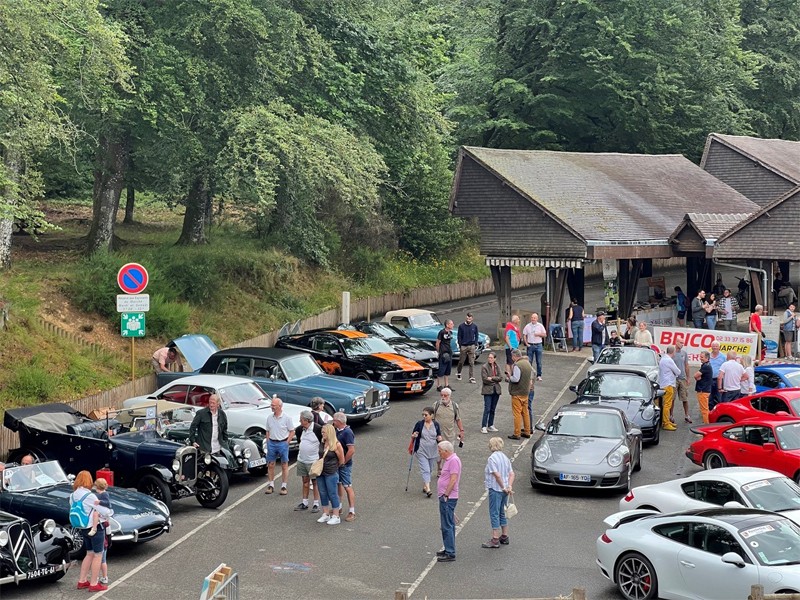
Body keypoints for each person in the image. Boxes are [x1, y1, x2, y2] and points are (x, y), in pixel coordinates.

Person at [74, 471, 113, 592]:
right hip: (96, 528)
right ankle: (94, 583)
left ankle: (82, 580)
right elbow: (106, 511)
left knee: (89, 553)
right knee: (97, 555)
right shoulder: (90, 495)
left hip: (83, 527)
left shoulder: (73, 495)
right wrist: (110, 512)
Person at [482, 437, 514, 549]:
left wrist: (502, 487)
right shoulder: (505, 458)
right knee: (502, 512)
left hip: (496, 489)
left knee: (494, 512)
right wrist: (509, 486)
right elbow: (511, 474)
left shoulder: (492, 459)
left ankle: (495, 538)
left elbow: (497, 475)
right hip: (505, 490)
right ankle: (504, 535)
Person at [436, 441, 462, 562]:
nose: (439, 453)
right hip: (445, 497)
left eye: (440, 451)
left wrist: (446, 494)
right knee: (446, 524)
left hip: (448, 497)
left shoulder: (453, 461)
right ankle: (447, 548)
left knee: (447, 525)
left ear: (446, 451)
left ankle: (450, 552)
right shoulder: (449, 460)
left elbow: (453, 479)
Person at [315, 424, 345, 525]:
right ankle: (325, 513)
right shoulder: (322, 442)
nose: (322, 434)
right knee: (322, 492)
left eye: (324, 432)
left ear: (329, 433)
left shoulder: (337, 444)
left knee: (332, 493)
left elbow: (342, 460)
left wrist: (334, 467)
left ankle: (336, 515)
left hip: (331, 472)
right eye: (322, 432)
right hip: (320, 472)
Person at [264, 396, 295, 496]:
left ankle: (284, 486)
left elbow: (292, 431)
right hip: (272, 443)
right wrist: (268, 441)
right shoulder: (269, 417)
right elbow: (267, 430)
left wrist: (287, 442)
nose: (271, 407)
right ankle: (271, 485)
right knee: (271, 464)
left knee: (284, 465)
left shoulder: (287, 418)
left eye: (273, 405)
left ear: (280, 406)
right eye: (271, 405)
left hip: (282, 442)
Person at [293, 411, 323, 513]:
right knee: (305, 481)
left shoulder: (318, 429)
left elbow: (323, 442)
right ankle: (304, 503)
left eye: (301, 419)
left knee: (315, 482)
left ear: (307, 420)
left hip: (313, 461)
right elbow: (299, 441)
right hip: (301, 460)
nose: (299, 421)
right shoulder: (299, 429)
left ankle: (316, 504)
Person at [411, 407, 442, 497]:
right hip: (421, 450)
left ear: (432, 415)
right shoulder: (420, 424)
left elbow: (438, 434)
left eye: (426, 415)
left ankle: (425, 485)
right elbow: (413, 434)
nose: (424, 416)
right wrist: (414, 435)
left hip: (432, 450)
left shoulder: (436, 425)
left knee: (430, 469)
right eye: (423, 415)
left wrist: (439, 438)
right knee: (426, 469)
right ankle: (428, 489)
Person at [332, 412, 356, 522]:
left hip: (344, 465)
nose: (333, 422)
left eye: (334, 420)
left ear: (339, 421)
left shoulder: (348, 432)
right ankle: (339, 507)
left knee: (347, 486)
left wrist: (343, 462)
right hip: (336, 464)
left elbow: (351, 450)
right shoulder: (336, 430)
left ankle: (352, 511)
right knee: (338, 485)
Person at [507, 349, 532, 440]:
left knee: (517, 414)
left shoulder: (518, 365)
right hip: (525, 392)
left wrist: (509, 376)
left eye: (512, 356)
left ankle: (517, 433)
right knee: (525, 413)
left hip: (517, 393)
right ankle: (527, 431)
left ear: (514, 356)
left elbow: (516, 379)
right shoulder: (527, 363)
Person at [93, 478, 112, 585]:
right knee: (101, 561)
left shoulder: (104, 495)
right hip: (104, 539)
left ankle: (104, 577)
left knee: (102, 560)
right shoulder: (98, 494)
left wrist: (99, 502)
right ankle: (102, 576)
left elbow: (107, 503)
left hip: (103, 542)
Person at [658, 345, 680, 432]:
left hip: (664, 383)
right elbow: (677, 371)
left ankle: (666, 421)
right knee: (667, 405)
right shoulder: (669, 360)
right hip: (668, 384)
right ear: (673, 352)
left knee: (666, 404)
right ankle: (666, 423)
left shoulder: (663, 359)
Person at [480, 352, 502, 434]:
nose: (490, 359)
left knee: (493, 409)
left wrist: (491, 378)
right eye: (489, 357)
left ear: (495, 359)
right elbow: (485, 379)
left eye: (491, 358)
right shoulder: (484, 367)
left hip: (496, 390)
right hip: (488, 390)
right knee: (487, 408)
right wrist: (495, 380)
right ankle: (483, 426)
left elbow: (500, 377)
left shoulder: (497, 366)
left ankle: (490, 424)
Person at [522, 313, 546, 381]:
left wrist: (538, 334)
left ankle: (539, 375)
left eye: (534, 318)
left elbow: (545, 334)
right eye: (532, 317)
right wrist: (526, 343)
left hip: (538, 345)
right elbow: (524, 334)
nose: (533, 319)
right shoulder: (528, 326)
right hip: (530, 344)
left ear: (537, 319)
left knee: (539, 361)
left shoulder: (540, 326)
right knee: (529, 361)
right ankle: (529, 375)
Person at [456, 313, 479, 383]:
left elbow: (476, 335)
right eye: (468, 317)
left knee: (471, 362)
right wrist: (460, 345)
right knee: (461, 361)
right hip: (463, 345)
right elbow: (459, 336)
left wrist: (475, 343)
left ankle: (471, 377)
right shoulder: (461, 326)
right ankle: (459, 372)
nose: (469, 319)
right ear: (466, 318)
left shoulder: (474, 326)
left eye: (470, 317)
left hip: (471, 346)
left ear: (472, 318)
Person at [673, 339, 692, 424]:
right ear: (676, 342)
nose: (682, 344)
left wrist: (688, 377)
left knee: (685, 398)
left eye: (683, 343)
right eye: (681, 342)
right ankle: (671, 416)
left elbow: (686, 365)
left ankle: (687, 415)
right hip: (673, 379)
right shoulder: (671, 352)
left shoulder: (684, 353)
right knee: (672, 399)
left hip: (682, 378)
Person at [694, 350, 713, 423]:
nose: (700, 358)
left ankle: (706, 427)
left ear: (707, 358)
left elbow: (695, 375)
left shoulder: (706, 366)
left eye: (702, 357)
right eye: (700, 357)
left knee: (704, 410)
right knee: (705, 409)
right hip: (705, 390)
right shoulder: (707, 365)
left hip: (703, 390)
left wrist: (697, 378)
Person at [436, 319, 455, 391]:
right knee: (441, 369)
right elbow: (437, 343)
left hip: (449, 352)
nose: (453, 325)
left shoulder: (450, 332)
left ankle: (446, 384)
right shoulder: (441, 332)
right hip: (443, 353)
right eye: (451, 324)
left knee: (448, 369)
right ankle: (439, 385)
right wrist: (439, 352)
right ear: (447, 325)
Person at [708, 341, 726, 412]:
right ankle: (710, 412)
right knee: (710, 397)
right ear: (711, 347)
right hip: (709, 380)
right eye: (713, 346)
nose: (715, 347)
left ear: (719, 347)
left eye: (716, 346)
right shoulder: (708, 356)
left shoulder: (723, 357)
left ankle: (719, 412)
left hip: (719, 380)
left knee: (719, 397)